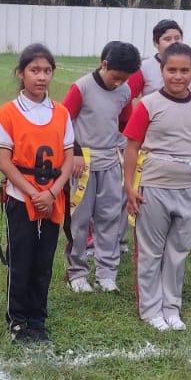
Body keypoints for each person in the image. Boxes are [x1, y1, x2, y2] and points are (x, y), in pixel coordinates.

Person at [123, 42, 191, 332]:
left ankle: (171, 307)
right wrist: (129, 186)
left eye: (184, 70)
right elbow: (132, 147)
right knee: (151, 251)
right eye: (171, 70)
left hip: (188, 187)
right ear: (161, 70)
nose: (178, 76)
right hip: (154, 186)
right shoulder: (148, 105)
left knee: (178, 250)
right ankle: (151, 309)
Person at [0, 44, 76, 345]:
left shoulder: (62, 113)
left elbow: (68, 158)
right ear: (21, 73)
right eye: (34, 70)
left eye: (47, 71)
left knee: (44, 261)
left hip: (53, 197)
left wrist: (53, 191)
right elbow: (4, 160)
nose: (41, 77)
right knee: (21, 260)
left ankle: (38, 319)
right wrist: (32, 192)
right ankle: (17, 320)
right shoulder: (7, 113)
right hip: (21, 196)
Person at [62, 40, 140, 293]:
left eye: (125, 79)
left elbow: (125, 124)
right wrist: (73, 152)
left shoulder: (126, 91)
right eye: (116, 77)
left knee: (109, 219)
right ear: (104, 64)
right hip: (82, 161)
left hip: (110, 160)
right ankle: (77, 272)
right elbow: (63, 122)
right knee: (80, 219)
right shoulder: (81, 88)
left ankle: (106, 273)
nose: (119, 83)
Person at [127, 18, 191, 99]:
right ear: (156, 43)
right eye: (167, 39)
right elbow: (130, 96)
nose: (173, 42)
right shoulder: (144, 67)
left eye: (177, 38)